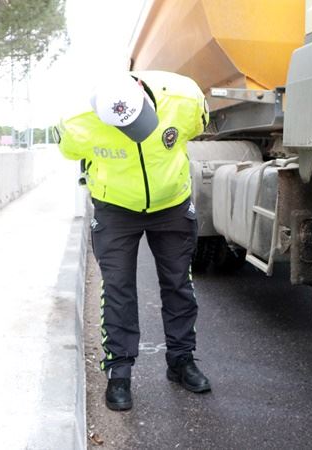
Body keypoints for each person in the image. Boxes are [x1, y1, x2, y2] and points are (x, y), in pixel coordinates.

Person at [57, 71, 211, 411]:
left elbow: (201, 126)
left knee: (178, 284)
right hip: (115, 209)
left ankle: (182, 360)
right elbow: (68, 150)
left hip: (171, 204)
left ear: (141, 89)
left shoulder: (184, 99)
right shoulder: (78, 123)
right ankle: (119, 372)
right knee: (117, 289)